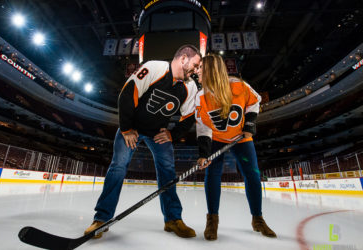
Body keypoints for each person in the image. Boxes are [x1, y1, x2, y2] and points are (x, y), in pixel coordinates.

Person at [85, 45, 202, 239]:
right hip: (133, 128)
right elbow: (127, 94)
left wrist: (172, 134)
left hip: (158, 133)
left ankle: (173, 219)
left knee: (168, 171)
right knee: (118, 166)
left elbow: (189, 117)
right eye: (196, 65)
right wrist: (126, 129)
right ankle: (101, 219)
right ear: (183, 59)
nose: (197, 70)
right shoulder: (155, 68)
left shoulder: (190, 86)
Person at [194, 54, 276, 240]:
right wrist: (204, 154)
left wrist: (249, 126)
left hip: (241, 139)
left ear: (211, 70)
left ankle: (258, 219)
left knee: (252, 175)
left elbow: (254, 101)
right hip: (216, 140)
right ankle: (212, 220)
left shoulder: (238, 85)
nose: (197, 71)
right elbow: (203, 126)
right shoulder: (200, 97)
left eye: (200, 68)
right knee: (212, 175)